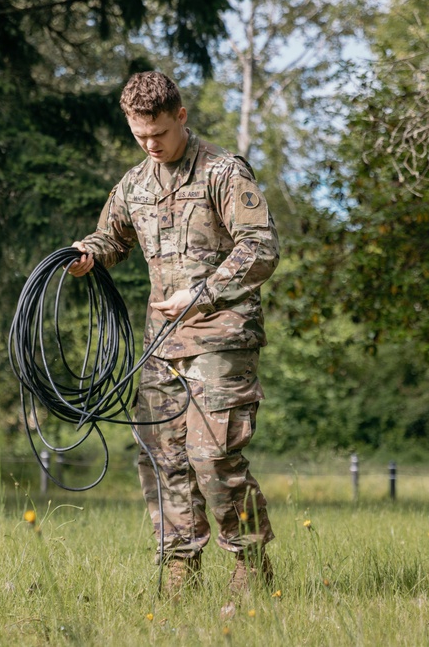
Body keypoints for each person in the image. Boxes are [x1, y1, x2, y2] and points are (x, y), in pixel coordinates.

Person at [68, 71, 281, 597]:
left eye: (158, 134)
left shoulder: (223, 173)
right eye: (139, 135)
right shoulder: (134, 184)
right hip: (161, 344)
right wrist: (88, 255)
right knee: (162, 456)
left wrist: (202, 292)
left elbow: (261, 246)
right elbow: (110, 236)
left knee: (214, 458)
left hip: (221, 337)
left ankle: (251, 567)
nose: (149, 145)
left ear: (181, 116)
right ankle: (179, 567)